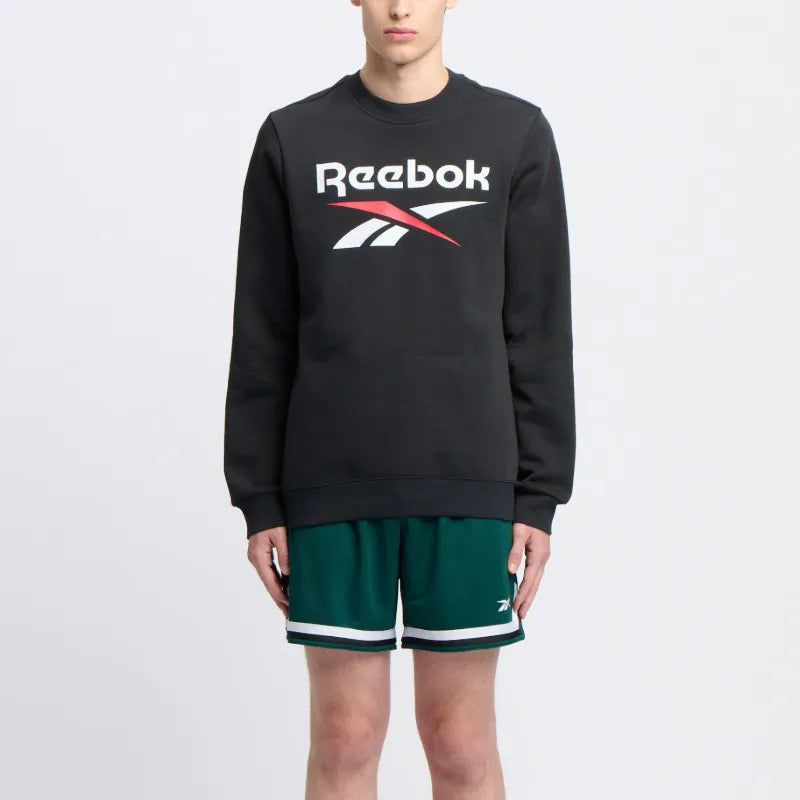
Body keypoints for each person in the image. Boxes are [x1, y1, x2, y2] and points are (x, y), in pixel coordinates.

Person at [223, 1, 576, 796]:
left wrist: (540, 493)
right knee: (345, 740)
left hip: (469, 480)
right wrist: (258, 495)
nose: (402, 6)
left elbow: (539, 326)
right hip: (329, 479)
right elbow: (263, 330)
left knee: (459, 743)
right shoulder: (294, 138)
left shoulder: (513, 134)